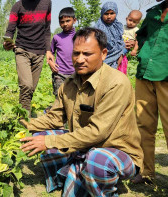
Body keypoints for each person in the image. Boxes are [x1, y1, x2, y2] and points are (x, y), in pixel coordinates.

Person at [19, 27, 143, 196]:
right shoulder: (69, 83)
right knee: (39, 136)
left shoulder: (116, 83)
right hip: (85, 146)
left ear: (103, 54)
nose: (79, 59)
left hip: (117, 151)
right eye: (76, 53)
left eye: (87, 54)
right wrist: (22, 125)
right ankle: (70, 176)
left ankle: (98, 182)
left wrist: (49, 142)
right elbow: (54, 118)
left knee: (96, 160)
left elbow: (97, 132)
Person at [132, 0, 168, 184]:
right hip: (145, 73)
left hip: (166, 76)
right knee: (143, 125)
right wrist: (142, 51)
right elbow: (142, 34)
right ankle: (146, 171)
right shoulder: (153, 12)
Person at [3, 0, 52, 116]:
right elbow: (10, 30)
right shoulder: (18, 6)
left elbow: (47, 29)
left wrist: (48, 50)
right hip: (22, 50)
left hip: (39, 52)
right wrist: (6, 43)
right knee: (26, 85)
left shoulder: (47, 3)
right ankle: (24, 120)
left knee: (30, 89)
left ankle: (22, 113)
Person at [47, 7, 76, 98]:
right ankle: (58, 112)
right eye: (62, 22)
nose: (65, 24)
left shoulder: (79, 36)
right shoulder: (56, 38)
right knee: (59, 97)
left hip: (75, 73)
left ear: (74, 20)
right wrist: (51, 63)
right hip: (59, 73)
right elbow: (50, 53)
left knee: (74, 97)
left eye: (68, 21)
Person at [94, 1, 124, 69]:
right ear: (102, 14)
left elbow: (121, 43)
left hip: (118, 59)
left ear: (116, 13)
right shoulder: (97, 28)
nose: (109, 16)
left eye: (112, 13)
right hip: (102, 59)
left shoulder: (118, 27)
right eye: (106, 14)